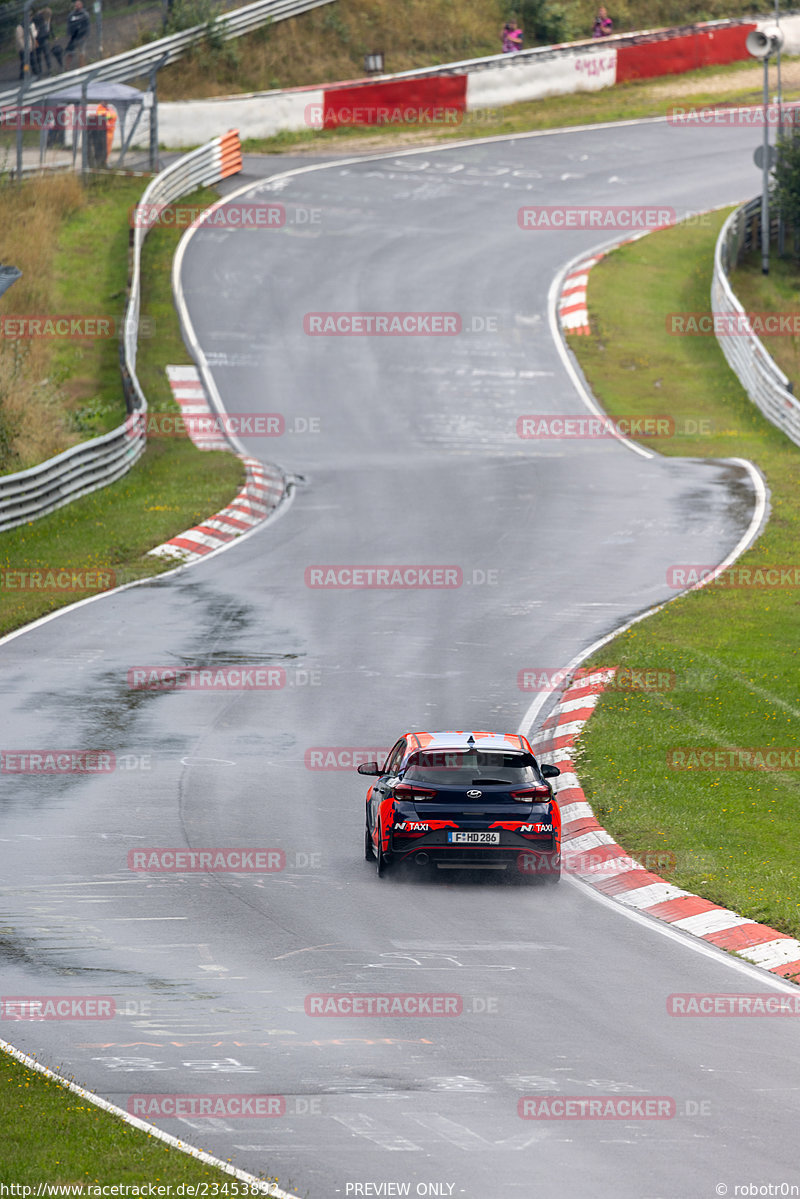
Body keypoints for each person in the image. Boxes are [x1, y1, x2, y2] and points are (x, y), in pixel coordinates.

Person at [64, 0, 90, 69]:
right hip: (73, 37)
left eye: (79, 4)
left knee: (81, 52)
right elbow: (68, 26)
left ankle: (82, 67)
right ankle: (67, 67)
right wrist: (69, 35)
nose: (77, 6)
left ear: (81, 5)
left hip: (82, 37)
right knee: (70, 52)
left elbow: (87, 26)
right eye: (76, 4)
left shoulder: (85, 14)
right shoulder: (71, 15)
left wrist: (85, 35)